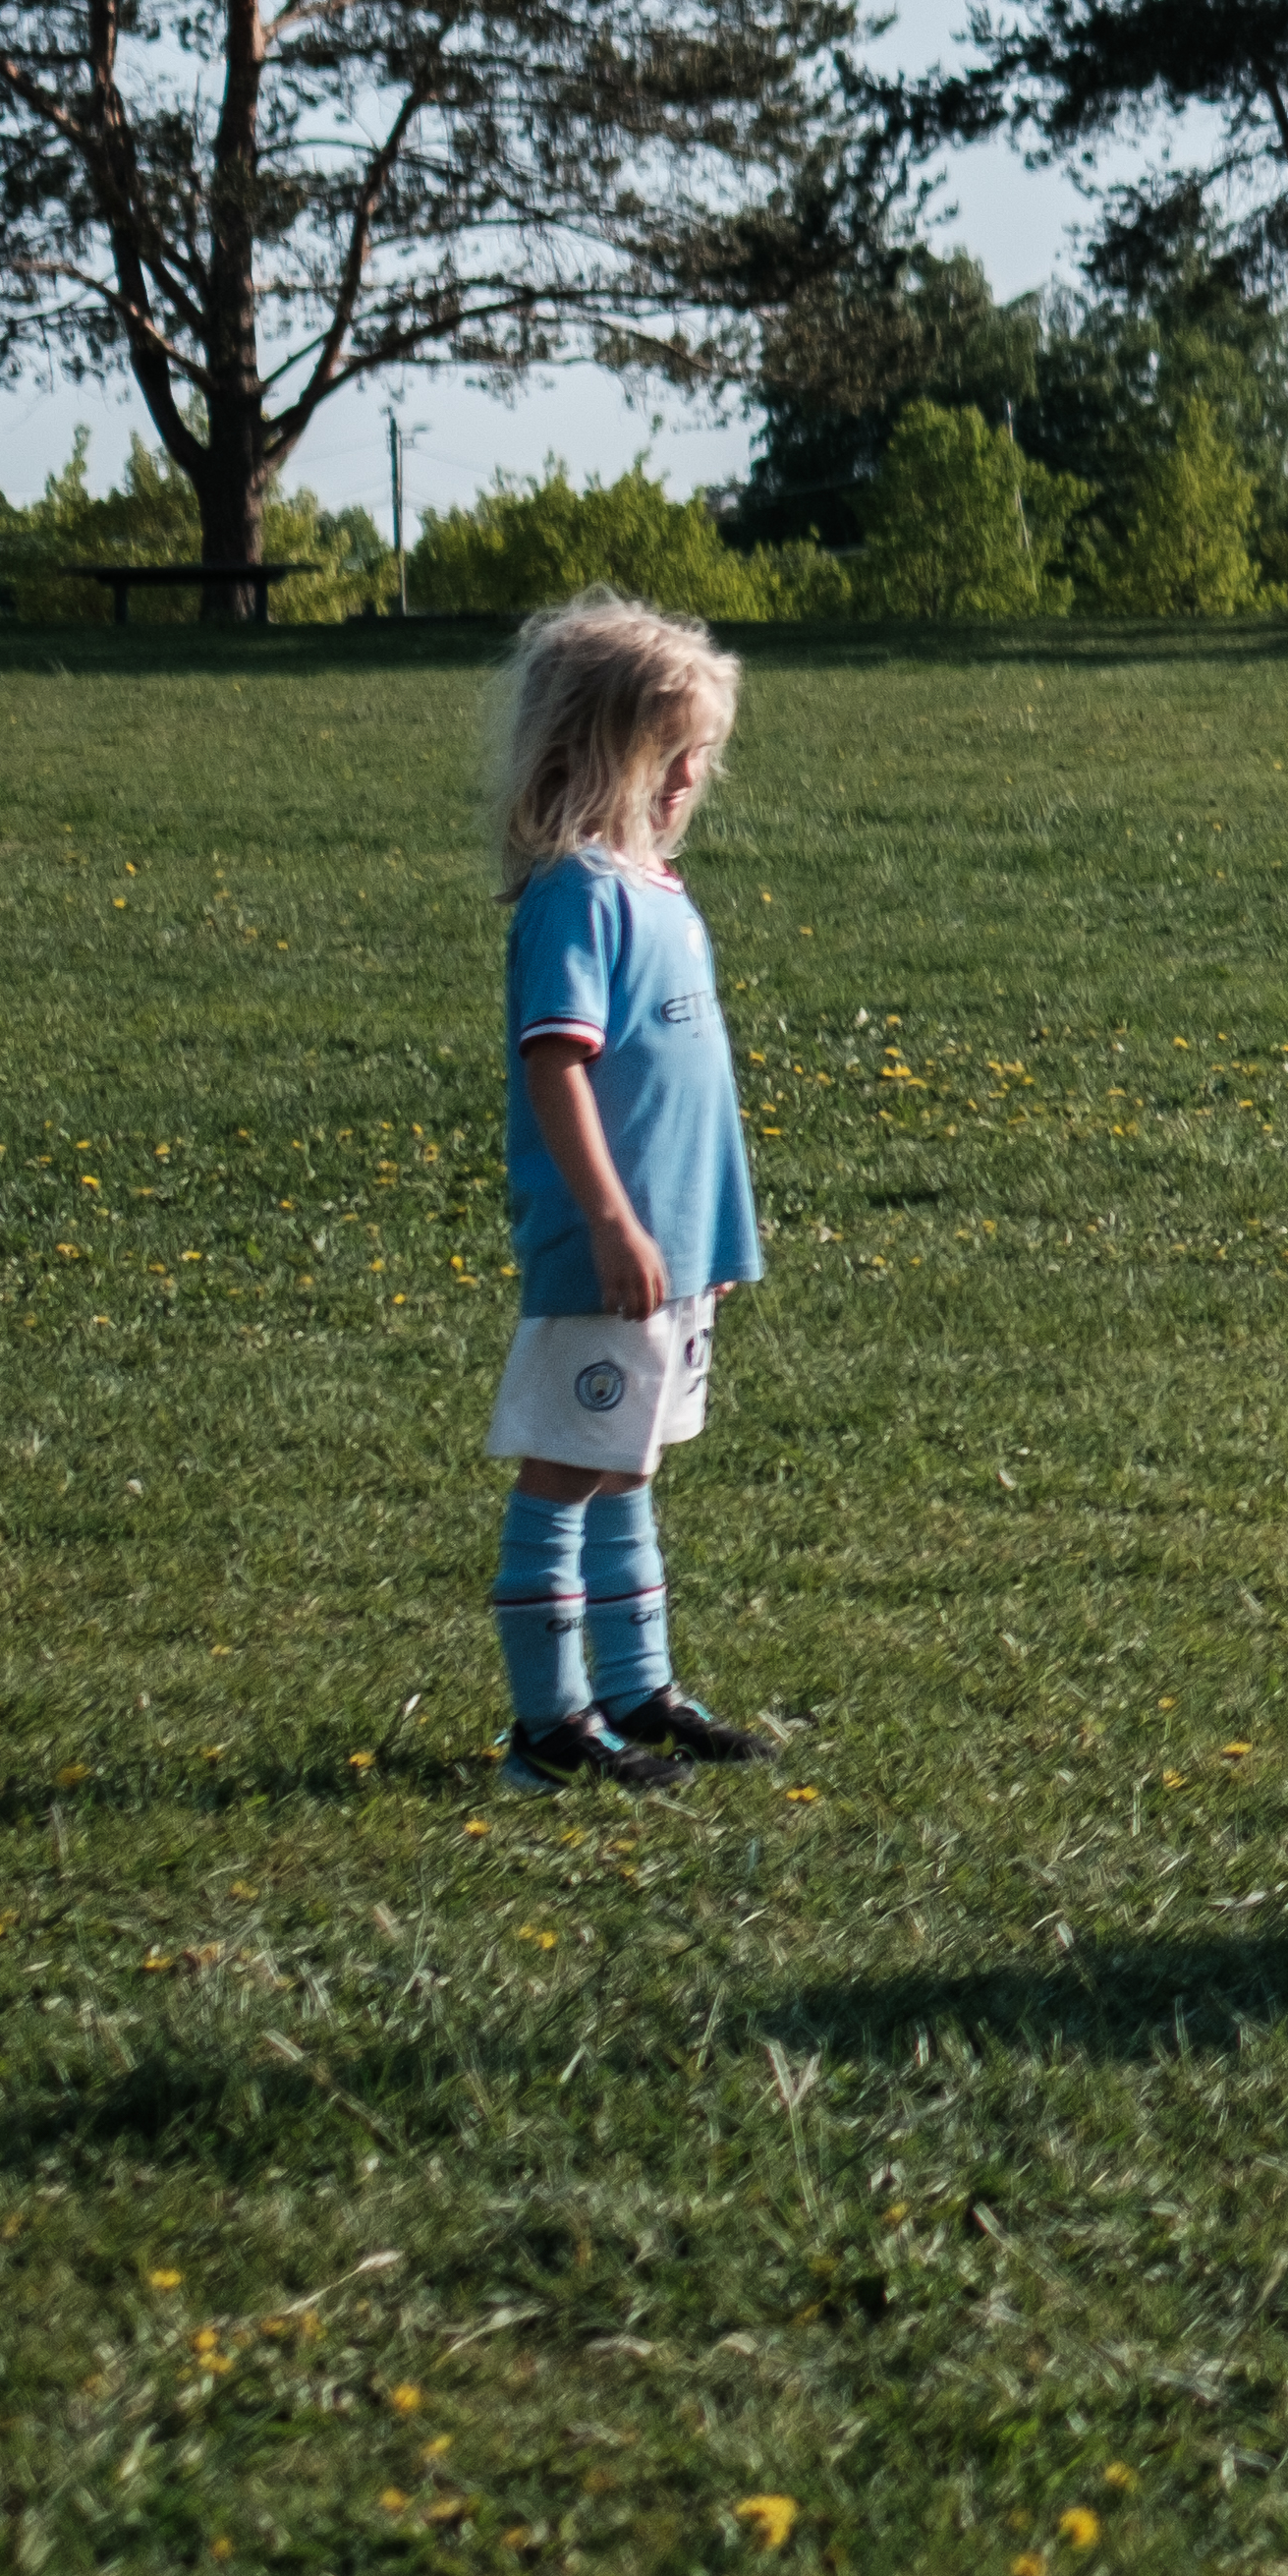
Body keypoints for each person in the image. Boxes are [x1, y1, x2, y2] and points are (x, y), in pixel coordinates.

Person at [482, 595, 794, 1794]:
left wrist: (701, 1232)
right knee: (566, 1468)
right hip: (605, 1248)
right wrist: (612, 1219)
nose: (687, 779)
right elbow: (554, 1064)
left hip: (673, 1250)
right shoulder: (576, 895)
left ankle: (637, 1688)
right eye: (669, 756)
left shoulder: (657, 886)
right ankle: (546, 1727)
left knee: (629, 1465)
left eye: (697, 758)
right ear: (599, 750)